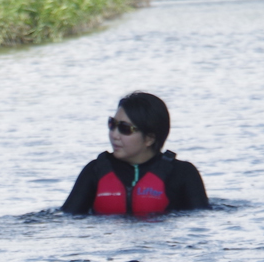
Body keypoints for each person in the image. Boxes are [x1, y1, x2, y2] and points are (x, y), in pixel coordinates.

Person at [61, 92, 208, 217]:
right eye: (112, 125)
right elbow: (67, 219)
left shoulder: (183, 174)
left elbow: (201, 222)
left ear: (149, 139)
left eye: (125, 129)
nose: (114, 135)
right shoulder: (95, 171)